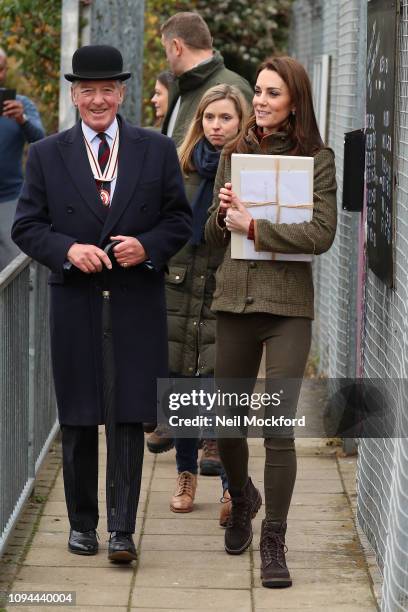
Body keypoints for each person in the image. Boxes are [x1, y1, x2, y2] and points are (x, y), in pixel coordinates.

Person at [12, 45, 191, 564]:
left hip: (136, 300)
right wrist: (66, 249)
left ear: (122, 93)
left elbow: (178, 220)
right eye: (87, 90)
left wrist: (148, 246)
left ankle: (122, 532)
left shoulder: (155, 149)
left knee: (130, 416)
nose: (97, 99)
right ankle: (82, 525)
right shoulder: (47, 153)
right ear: (73, 95)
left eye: (107, 89)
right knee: (78, 415)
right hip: (76, 302)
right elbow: (27, 226)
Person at [205, 56, 337, 588]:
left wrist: (256, 225)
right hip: (235, 301)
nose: (259, 101)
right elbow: (214, 239)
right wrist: (223, 215)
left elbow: (321, 234)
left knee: (279, 430)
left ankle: (275, 538)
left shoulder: (318, 160)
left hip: (288, 308)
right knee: (227, 425)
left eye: (272, 93)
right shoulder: (233, 153)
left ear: (294, 101)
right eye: (257, 91)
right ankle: (242, 499)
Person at [147, 9, 253, 459]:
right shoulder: (183, 93)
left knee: (214, 343)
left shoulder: (226, 86)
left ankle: (215, 441)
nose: (215, 125)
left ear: (175, 46)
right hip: (182, 245)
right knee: (179, 336)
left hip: (221, 244)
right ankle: (182, 431)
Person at [166, 84, 248, 520]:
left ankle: (233, 487)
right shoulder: (179, 168)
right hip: (179, 285)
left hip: (224, 286)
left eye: (227, 119)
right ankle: (185, 472)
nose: (217, 127)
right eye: (210, 118)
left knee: (223, 387)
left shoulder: (247, 169)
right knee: (183, 386)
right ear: (200, 122)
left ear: (242, 121)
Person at [0, 46, 45, 271]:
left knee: (14, 272)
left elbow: (41, 141)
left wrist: (22, 119)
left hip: (10, 200)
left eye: (0, 70)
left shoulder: (21, 104)